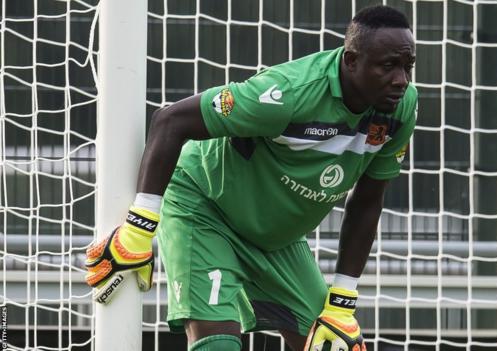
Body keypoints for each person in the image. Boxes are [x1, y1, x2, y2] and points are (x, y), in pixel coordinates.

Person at [85, 5, 417, 351]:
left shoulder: (402, 106)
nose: (401, 80)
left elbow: (367, 201)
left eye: (408, 66)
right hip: (206, 208)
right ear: (351, 61)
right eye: (388, 66)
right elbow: (170, 121)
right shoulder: (286, 93)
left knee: (336, 345)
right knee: (219, 345)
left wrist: (343, 300)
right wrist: (140, 227)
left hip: (276, 238)